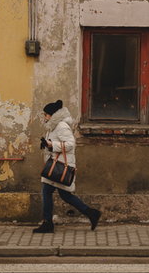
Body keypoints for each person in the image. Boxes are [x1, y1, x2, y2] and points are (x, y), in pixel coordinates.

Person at [34, 99, 101, 233]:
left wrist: (52, 145)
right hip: (55, 165)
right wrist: (47, 145)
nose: (44, 117)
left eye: (46, 114)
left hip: (59, 166)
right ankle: (91, 213)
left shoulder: (61, 126)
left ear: (52, 115)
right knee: (64, 195)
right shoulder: (53, 126)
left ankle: (48, 223)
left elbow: (70, 144)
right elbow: (56, 143)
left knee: (49, 192)